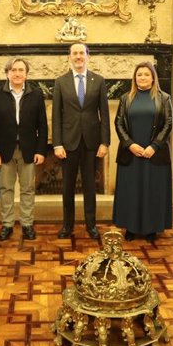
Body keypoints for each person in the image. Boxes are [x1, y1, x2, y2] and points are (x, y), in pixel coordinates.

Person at [0, 57, 48, 241]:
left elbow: (42, 125)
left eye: (21, 70)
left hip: (29, 149)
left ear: (26, 74)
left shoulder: (36, 94)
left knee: (28, 188)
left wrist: (41, 150)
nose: (17, 73)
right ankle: (7, 224)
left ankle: (27, 224)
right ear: (7, 73)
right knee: (6, 188)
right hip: (4, 150)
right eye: (14, 70)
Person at [52, 43, 110, 239]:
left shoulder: (99, 81)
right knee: (67, 187)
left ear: (88, 56)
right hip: (68, 144)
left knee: (90, 187)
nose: (78, 56)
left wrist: (105, 142)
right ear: (69, 57)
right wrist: (57, 144)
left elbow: (104, 114)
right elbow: (56, 116)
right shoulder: (60, 82)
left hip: (92, 144)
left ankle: (91, 225)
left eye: (81, 53)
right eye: (74, 53)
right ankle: (67, 226)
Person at [113, 61, 172, 242]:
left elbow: (168, 123)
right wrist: (129, 144)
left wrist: (154, 146)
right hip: (131, 154)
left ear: (153, 77)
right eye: (139, 74)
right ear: (134, 78)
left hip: (154, 154)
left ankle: (151, 228)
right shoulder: (126, 98)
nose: (143, 77)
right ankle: (130, 227)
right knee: (131, 191)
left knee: (152, 190)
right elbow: (118, 123)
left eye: (147, 74)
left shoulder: (164, 98)